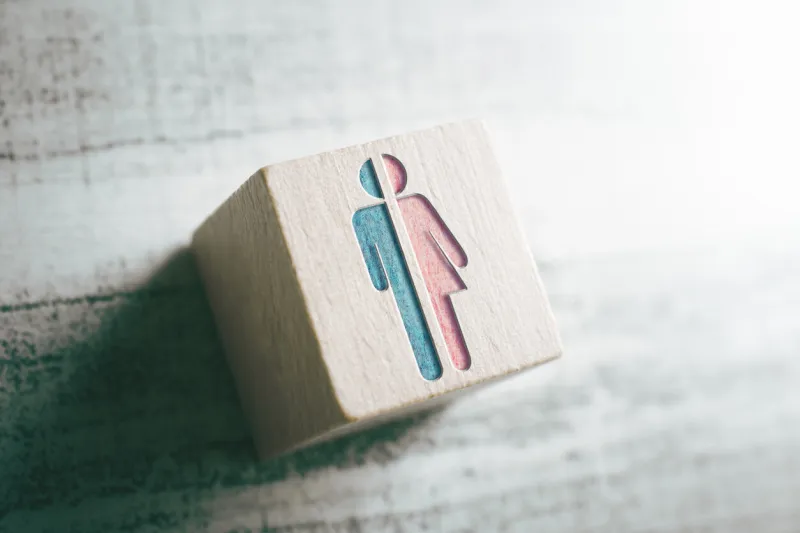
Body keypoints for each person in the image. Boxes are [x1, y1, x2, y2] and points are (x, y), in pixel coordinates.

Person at [352, 155, 470, 378]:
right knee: (413, 321)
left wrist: (457, 259)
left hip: (434, 272)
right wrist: (380, 283)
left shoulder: (414, 203)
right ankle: (431, 371)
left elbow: (440, 234)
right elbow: (371, 257)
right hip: (401, 283)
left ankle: (456, 362)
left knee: (443, 315)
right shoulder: (364, 217)